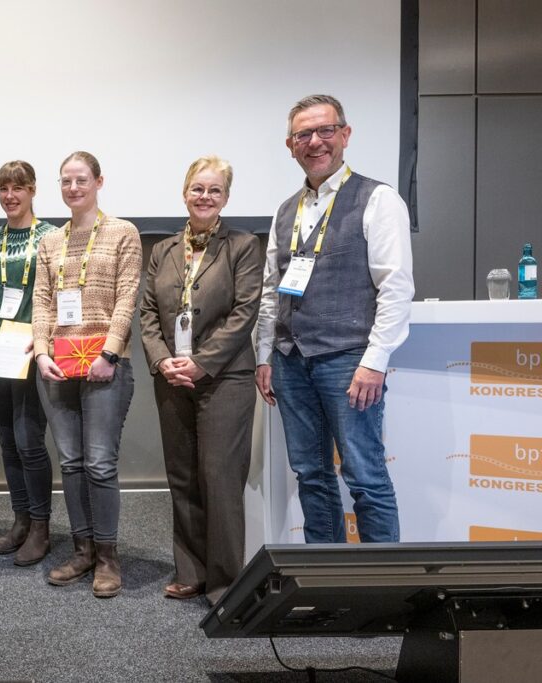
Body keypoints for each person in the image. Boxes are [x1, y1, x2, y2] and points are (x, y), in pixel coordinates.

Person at [255, 94, 415, 543]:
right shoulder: (285, 210)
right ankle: (326, 576)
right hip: (290, 361)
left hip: (349, 361)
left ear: (345, 135)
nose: (315, 142)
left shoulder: (378, 199)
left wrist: (375, 361)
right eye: (303, 134)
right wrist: (264, 355)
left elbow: (396, 287)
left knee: (365, 477)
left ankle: (383, 581)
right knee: (311, 475)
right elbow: (271, 290)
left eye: (325, 130)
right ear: (291, 146)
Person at [139, 156, 262, 604]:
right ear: (184, 193)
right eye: (197, 188)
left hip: (225, 377)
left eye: (214, 190)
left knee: (220, 477)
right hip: (172, 377)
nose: (204, 197)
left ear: (225, 198)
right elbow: (147, 313)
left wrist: (202, 362)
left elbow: (245, 312)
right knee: (183, 476)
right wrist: (162, 360)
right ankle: (190, 570)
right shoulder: (163, 250)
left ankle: (226, 580)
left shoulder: (243, 246)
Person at [32, 151, 141, 598]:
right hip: (58, 365)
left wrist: (109, 354)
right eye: (66, 181)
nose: (73, 188)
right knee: (72, 463)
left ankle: (108, 557)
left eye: (81, 180)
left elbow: (127, 297)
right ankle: (83, 550)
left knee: (99, 463)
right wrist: (41, 354)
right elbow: (42, 301)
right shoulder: (49, 241)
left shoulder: (123, 233)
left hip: (104, 365)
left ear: (99, 181)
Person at [0, 161, 58, 566]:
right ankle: (21, 520)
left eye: (18, 188)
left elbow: (57, 291)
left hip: (31, 351)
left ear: (33, 190)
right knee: (7, 440)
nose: (10, 196)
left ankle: (41, 527)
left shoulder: (51, 237)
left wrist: (42, 337)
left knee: (28, 441)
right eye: (4, 189)